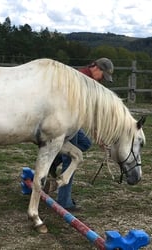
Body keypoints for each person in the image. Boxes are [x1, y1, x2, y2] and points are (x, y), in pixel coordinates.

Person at [45, 58, 114, 211]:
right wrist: (98, 135)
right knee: (71, 158)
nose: (102, 80)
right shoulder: (83, 80)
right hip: (68, 122)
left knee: (85, 144)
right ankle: (64, 202)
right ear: (96, 68)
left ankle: (52, 163)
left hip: (71, 121)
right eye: (103, 76)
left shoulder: (85, 78)